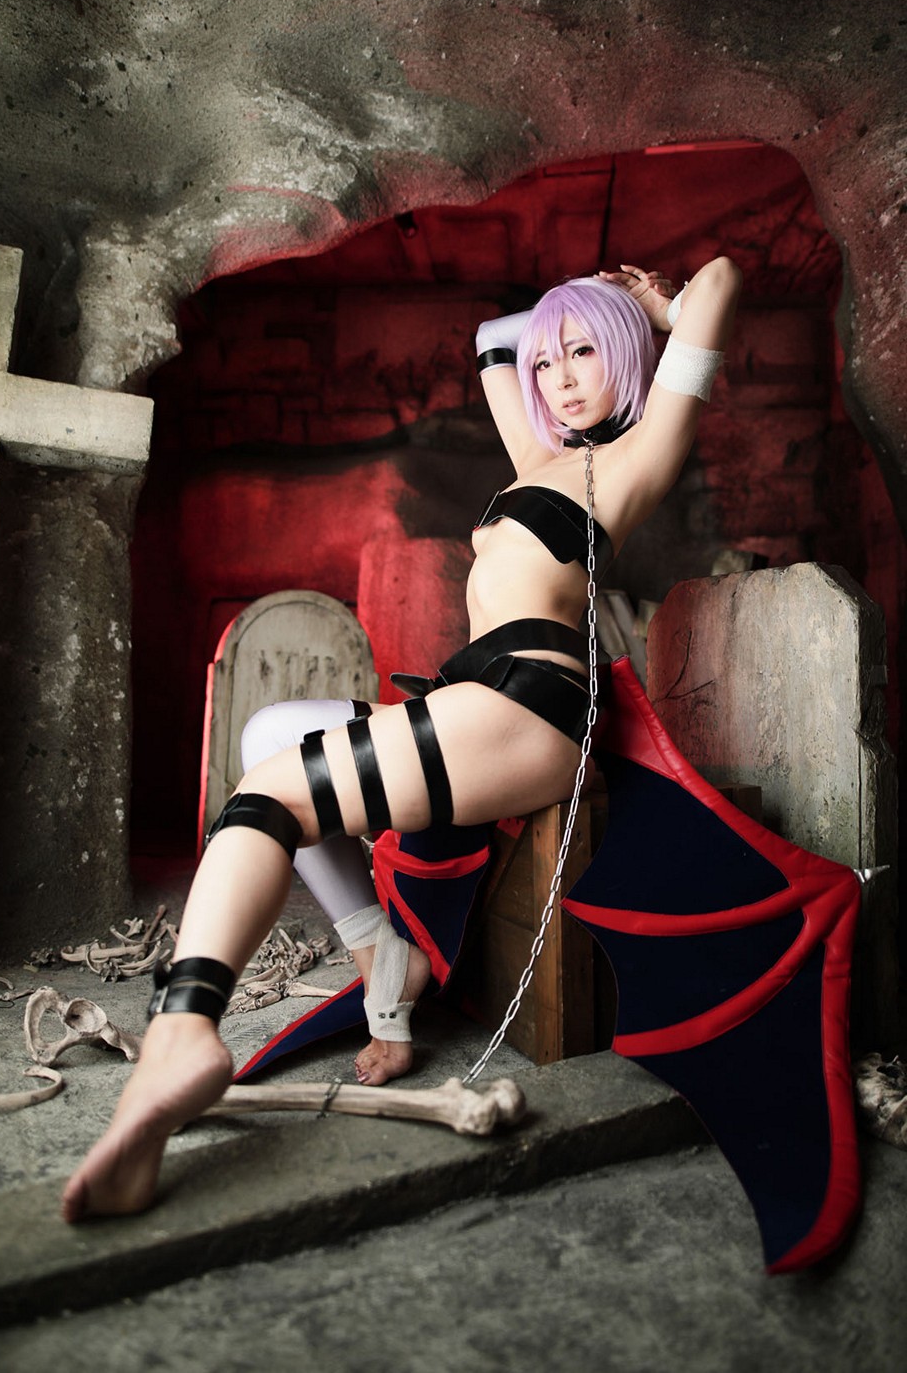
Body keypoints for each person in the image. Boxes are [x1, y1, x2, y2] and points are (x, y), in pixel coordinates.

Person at [62, 254, 742, 1222]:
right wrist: (566, 317)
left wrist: (642, 304)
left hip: (534, 707)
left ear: (631, 356)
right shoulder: (540, 462)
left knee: (275, 797)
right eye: (550, 362)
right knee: (269, 740)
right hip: (478, 691)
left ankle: (182, 1036)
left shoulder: (639, 456)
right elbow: (492, 343)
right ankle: (384, 962)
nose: (556, 377)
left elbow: (720, 283)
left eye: (585, 354)